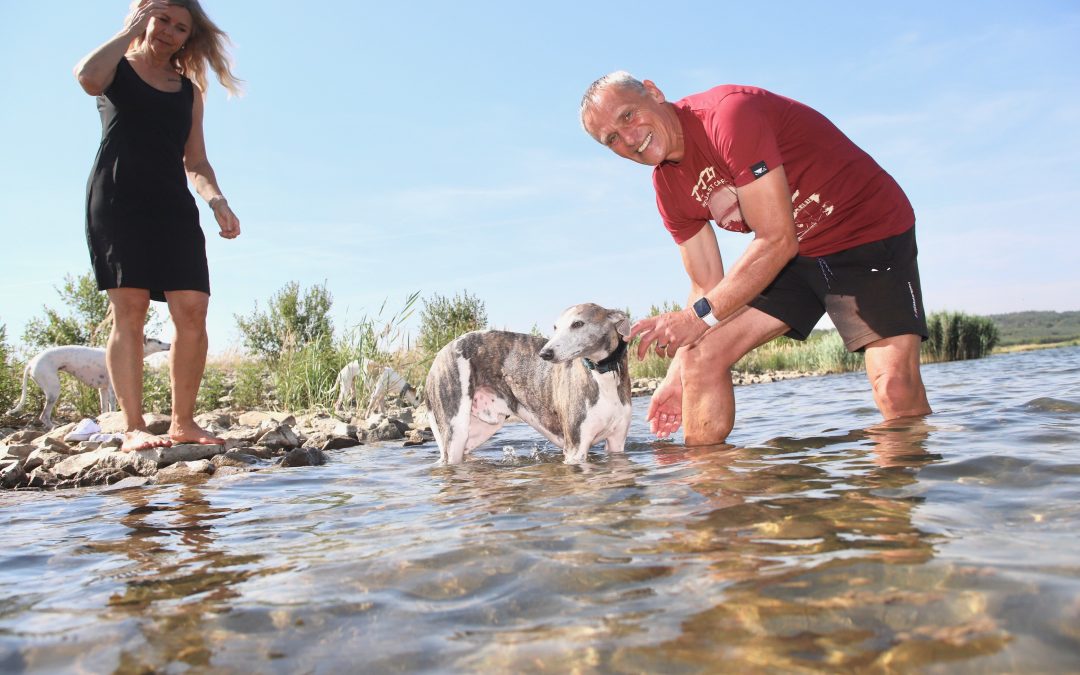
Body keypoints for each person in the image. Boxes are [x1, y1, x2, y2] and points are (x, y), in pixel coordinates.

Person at [580, 72, 931, 445]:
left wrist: (696, 317)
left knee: (893, 387)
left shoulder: (729, 115)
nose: (630, 139)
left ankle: (902, 496)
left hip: (864, 230)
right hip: (794, 257)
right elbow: (705, 283)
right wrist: (676, 375)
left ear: (653, 92)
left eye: (628, 116)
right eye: (612, 139)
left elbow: (776, 239)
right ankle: (712, 495)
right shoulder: (668, 189)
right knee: (701, 358)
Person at [74, 0, 242, 452]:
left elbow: (197, 160)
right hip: (117, 200)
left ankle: (183, 422)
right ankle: (133, 426)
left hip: (172, 205)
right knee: (129, 312)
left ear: (189, 38)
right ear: (144, 17)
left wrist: (216, 200)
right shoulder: (116, 69)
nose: (169, 31)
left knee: (193, 309)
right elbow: (86, 77)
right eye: (162, 19)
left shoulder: (188, 91)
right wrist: (128, 32)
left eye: (181, 27)